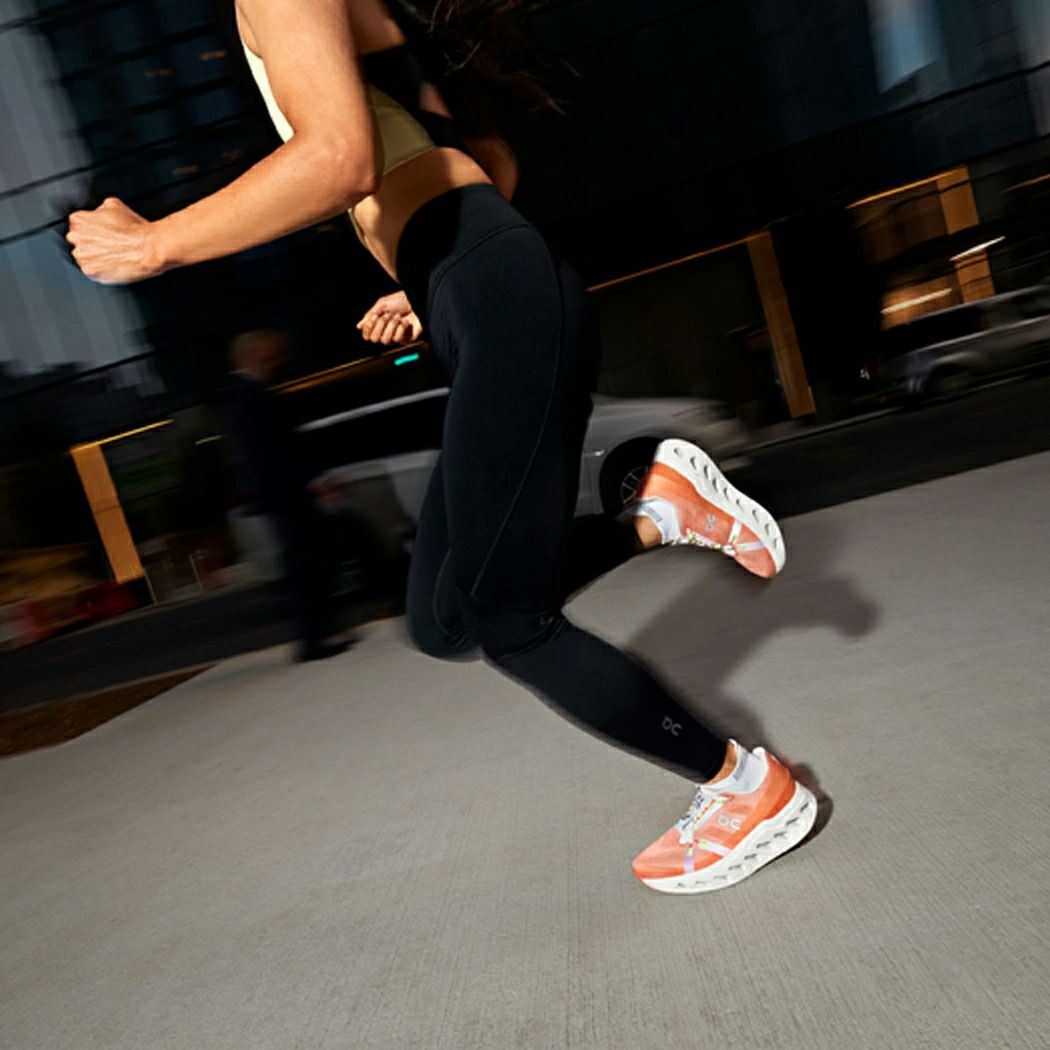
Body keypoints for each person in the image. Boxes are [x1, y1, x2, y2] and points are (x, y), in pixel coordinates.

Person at [65, 0, 815, 893]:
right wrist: (430, 279)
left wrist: (157, 244)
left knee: (512, 627)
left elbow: (338, 160)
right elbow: (489, 161)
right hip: (480, 288)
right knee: (442, 620)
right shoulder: (383, 15)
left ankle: (747, 788)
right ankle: (657, 511)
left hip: (497, 295)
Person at [225, 329, 350, 663]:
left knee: (308, 560)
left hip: (286, 492)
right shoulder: (245, 395)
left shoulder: (250, 393)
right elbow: (271, 451)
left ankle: (320, 632)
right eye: (271, 352)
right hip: (286, 493)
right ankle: (314, 637)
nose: (277, 358)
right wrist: (308, 482)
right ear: (253, 353)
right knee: (305, 562)